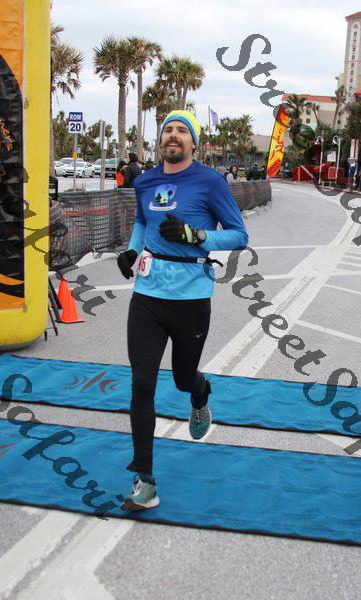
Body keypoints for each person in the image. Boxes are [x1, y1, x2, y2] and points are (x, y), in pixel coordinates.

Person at [116, 109, 248, 511]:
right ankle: (145, 480)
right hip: (147, 295)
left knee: (182, 378)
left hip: (191, 297)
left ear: (193, 142)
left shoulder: (210, 181)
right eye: (167, 130)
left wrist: (197, 235)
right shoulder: (145, 180)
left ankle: (200, 393)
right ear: (160, 141)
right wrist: (132, 250)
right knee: (142, 383)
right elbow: (142, 221)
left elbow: (239, 235)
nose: (173, 135)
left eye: (181, 130)